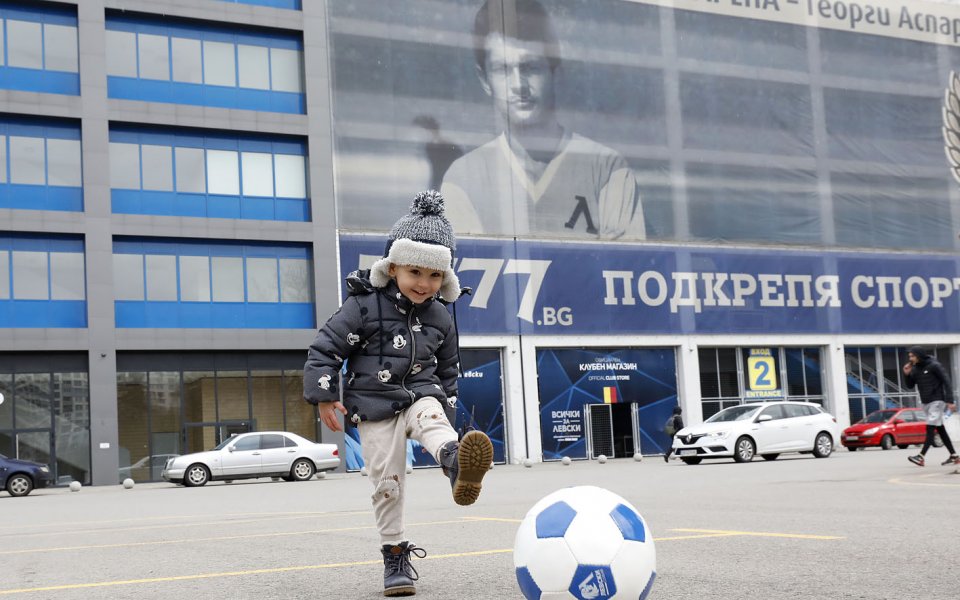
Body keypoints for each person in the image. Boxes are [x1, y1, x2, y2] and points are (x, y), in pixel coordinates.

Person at [304, 190, 494, 597]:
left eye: (435, 275)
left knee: (432, 415)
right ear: (392, 267)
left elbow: (448, 370)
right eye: (415, 272)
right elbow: (326, 348)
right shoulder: (364, 305)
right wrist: (324, 394)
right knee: (387, 483)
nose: (424, 284)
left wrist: (448, 409)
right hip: (374, 405)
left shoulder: (441, 316)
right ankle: (394, 557)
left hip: (420, 394)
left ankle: (454, 459)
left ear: (446, 278)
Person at [440, 0, 645, 240]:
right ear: (485, 80)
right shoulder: (463, 178)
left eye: (530, 67)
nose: (518, 85)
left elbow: (626, 262)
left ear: (553, 70)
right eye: (502, 70)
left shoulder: (606, 168)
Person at [903, 346, 958, 467]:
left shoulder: (934, 365)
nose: (910, 358)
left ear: (919, 355)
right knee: (940, 428)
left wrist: (949, 400)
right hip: (926, 402)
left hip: (937, 401)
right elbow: (910, 385)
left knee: (930, 427)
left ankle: (921, 456)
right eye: (909, 356)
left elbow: (946, 381)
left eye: (912, 356)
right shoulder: (915, 368)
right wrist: (906, 374)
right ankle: (954, 455)